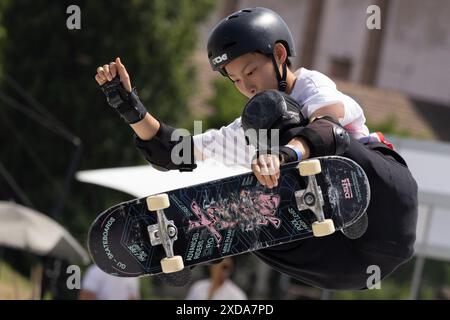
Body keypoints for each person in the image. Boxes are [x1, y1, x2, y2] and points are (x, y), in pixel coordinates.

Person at [94, 7, 418, 290]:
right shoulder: (245, 130)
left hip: (386, 202)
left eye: (250, 72)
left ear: (278, 55)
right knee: (252, 223)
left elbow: (328, 127)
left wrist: (284, 155)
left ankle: (335, 196)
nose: (246, 87)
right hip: (348, 266)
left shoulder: (311, 86)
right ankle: (195, 240)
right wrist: (128, 106)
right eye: (234, 80)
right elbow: (172, 152)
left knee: (269, 111)